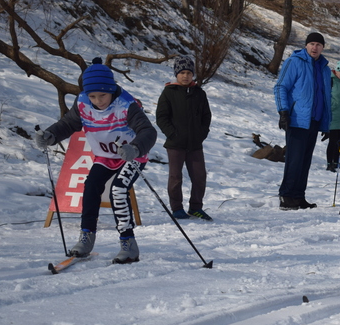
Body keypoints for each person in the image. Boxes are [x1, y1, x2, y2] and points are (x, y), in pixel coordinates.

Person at [34, 58, 157, 264]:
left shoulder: (127, 104)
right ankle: (87, 237)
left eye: (103, 95)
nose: (98, 100)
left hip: (131, 155)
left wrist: (135, 148)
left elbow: (148, 131)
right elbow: (69, 123)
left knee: (118, 190)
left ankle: (128, 244)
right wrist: (51, 135)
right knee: (91, 186)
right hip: (106, 157)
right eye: (93, 96)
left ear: (111, 89)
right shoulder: (82, 103)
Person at [274, 31, 332, 210]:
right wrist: (283, 111)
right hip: (297, 119)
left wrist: (326, 123)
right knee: (295, 159)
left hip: (314, 120)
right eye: (312, 44)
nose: (315, 47)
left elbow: (326, 97)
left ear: (322, 48)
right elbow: (280, 87)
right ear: (306, 46)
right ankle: (286, 195)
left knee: (306, 160)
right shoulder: (295, 62)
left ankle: (298, 196)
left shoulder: (324, 68)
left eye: (318, 45)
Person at [155, 56, 213, 221]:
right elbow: (161, 117)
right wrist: (172, 134)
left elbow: (206, 116)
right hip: (175, 144)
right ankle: (177, 208)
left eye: (188, 72)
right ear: (176, 74)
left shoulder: (199, 93)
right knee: (175, 177)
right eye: (182, 73)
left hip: (195, 144)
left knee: (199, 176)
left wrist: (202, 134)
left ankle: (195, 207)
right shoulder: (169, 92)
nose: (185, 76)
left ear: (193, 74)